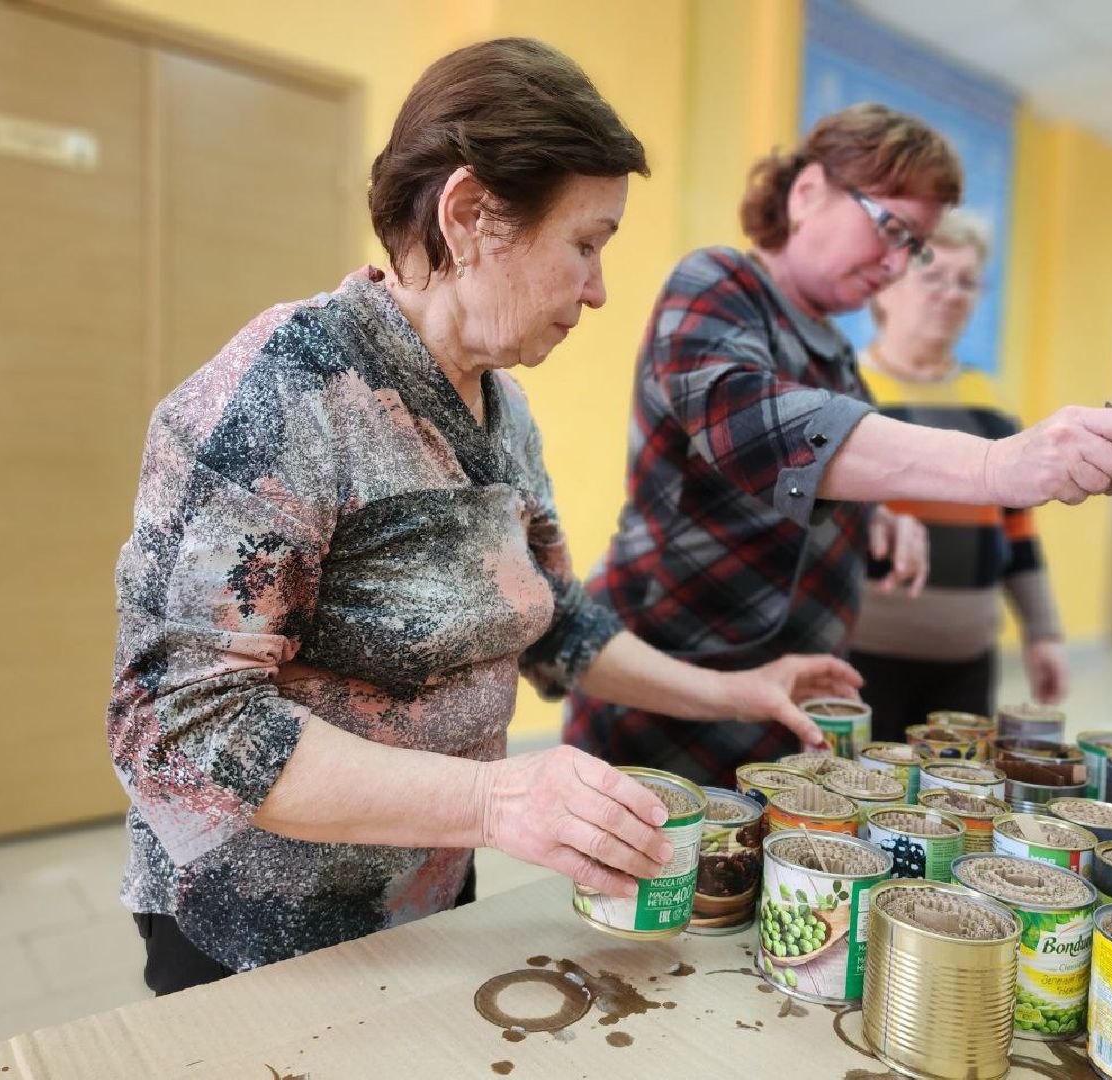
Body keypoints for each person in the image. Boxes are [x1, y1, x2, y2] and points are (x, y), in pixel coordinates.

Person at [107, 38, 858, 996]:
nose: (597, 289)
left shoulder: (500, 407)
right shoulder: (284, 396)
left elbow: (559, 625)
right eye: (585, 244)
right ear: (469, 216)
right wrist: (498, 798)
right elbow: (184, 727)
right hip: (256, 933)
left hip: (427, 894)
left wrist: (738, 691)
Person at [564, 104, 1112, 789]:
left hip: (786, 702)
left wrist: (875, 517)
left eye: (915, 246)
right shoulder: (720, 283)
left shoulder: (838, 355)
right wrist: (995, 464)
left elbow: (814, 481)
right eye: (891, 228)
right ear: (809, 191)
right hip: (667, 690)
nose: (897, 264)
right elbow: (748, 427)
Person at [850, 208, 1066, 739]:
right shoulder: (846, 388)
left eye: (967, 281)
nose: (952, 293)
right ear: (885, 287)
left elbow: (1017, 530)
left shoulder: (989, 399)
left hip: (968, 664)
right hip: (859, 659)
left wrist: (1043, 633)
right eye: (934, 275)